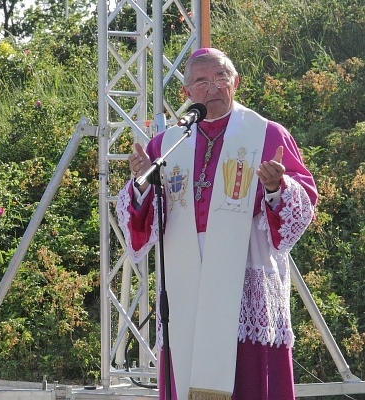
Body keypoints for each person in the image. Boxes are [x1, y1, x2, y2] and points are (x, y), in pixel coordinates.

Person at [116, 48, 318, 400]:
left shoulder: (267, 134)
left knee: (248, 376)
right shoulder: (167, 143)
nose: (213, 88)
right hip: (185, 279)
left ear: (235, 82)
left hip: (243, 272)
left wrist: (276, 187)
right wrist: (142, 183)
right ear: (187, 93)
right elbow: (143, 218)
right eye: (201, 81)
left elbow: (302, 203)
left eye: (221, 78)